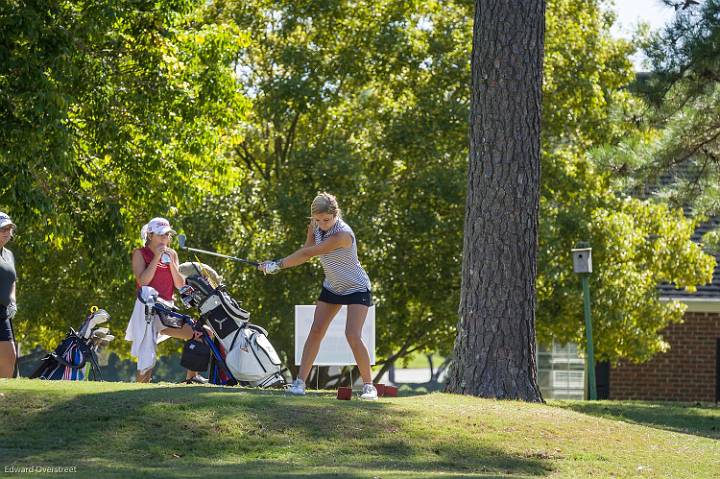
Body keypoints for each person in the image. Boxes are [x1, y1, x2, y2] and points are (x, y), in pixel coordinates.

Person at [259, 193, 377, 400]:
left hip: (357, 287)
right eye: (317, 219)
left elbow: (309, 254)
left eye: (326, 220)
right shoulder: (314, 226)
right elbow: (306, 250)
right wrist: (274, 264)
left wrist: (276, 265)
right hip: (333, 286)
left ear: (335, 215)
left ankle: (369, 387)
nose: (322, 224)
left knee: (352, 334)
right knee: (316, 330)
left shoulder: (342, 235)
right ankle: (300, 384)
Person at [124, 217, 206, 384]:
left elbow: (179, 284)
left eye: (168, 235)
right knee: (147, 355)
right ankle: (139, 390)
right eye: (161, 235)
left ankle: (191, 379)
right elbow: (143, 282)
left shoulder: (172, 254)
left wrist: (170, 264)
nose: (165, 238)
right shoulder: (139, 253)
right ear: (151, 235)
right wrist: (156, 257)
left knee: (200, 333)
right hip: (147, 310)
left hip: (166, 310)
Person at [0, 212, 18, 378]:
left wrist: (12, 301)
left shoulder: (9, 255)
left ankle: (4, 390)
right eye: (2, 229)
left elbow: (12, 281)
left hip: (3, 311)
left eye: (9, 228)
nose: (6, 232)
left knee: (9, 355)